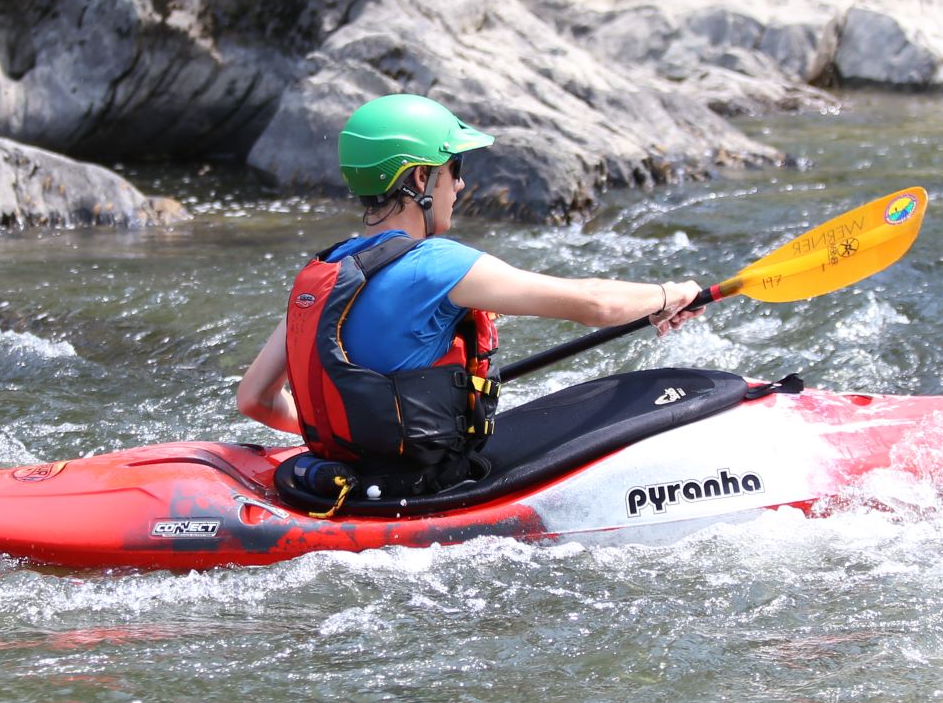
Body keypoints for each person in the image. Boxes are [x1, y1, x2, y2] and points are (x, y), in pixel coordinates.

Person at [236, 93, 703, 492]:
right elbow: (595, 304)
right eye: (453, 168)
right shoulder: (437, 266)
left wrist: (348, 436)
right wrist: (671, 293)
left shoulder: (324, 273)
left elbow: (255, 399)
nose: (459, 184)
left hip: (349, 483)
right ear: (420, 179)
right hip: (429, 486)